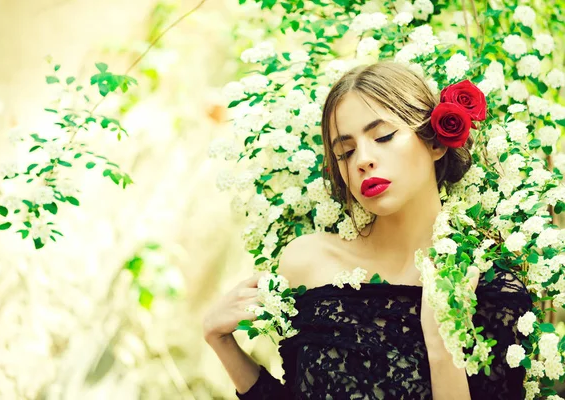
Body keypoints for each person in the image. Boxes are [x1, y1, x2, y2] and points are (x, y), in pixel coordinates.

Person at [203, 61, 532, 399]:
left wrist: (441, 341)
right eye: (345, 152)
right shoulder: (308, 262)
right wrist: (222, 342)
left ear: (435, 143)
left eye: (383, 136)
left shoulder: (490, 288)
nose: (363, 159)